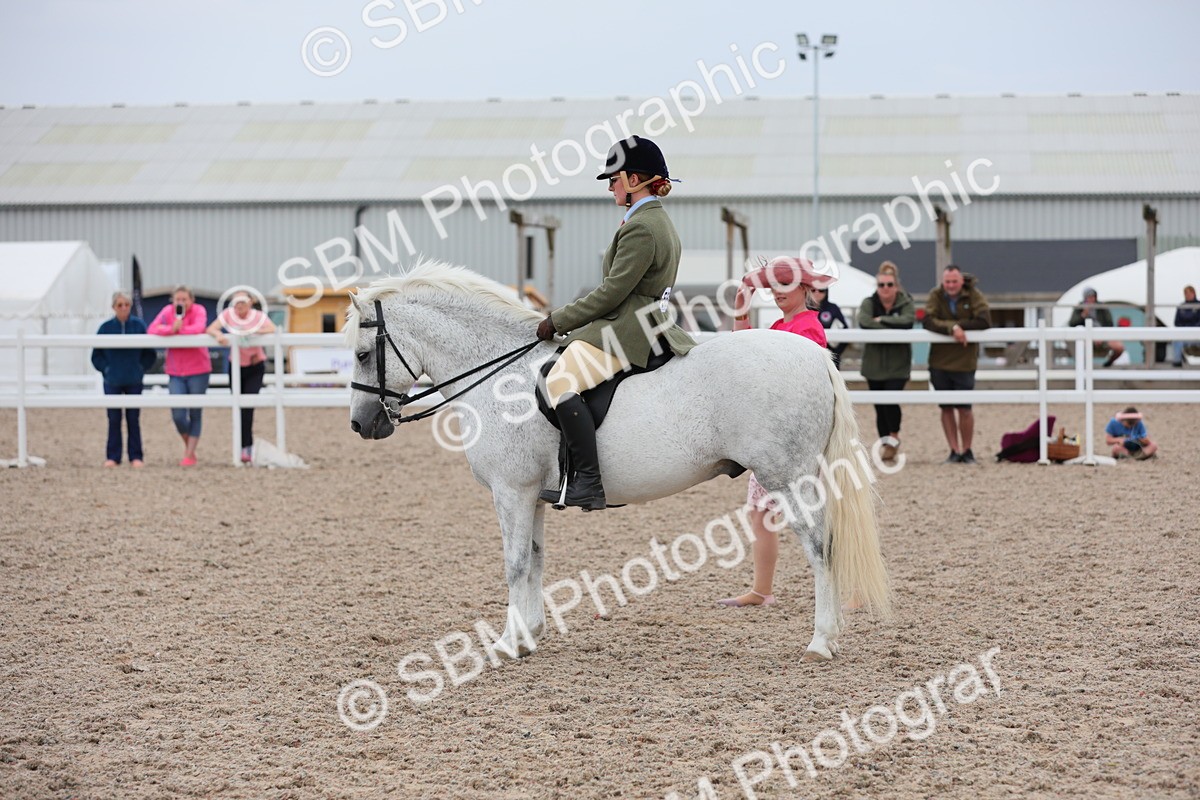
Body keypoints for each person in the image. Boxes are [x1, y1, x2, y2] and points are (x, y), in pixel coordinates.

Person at [534, 136, 697, 510]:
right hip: (644, 319)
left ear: (634, 180)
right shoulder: (655, 221)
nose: (610, 186)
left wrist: (558, 319)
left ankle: (589, 482)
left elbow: (611, 293)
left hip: (628, 328)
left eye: (613, 179)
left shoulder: (641, 227)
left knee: (558, 381)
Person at [717, 256, 834, 608]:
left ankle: (850, 590)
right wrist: (741, 311)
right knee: (762, 513)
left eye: (785, 285)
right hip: (776, 439)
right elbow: (744, 352)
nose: (778, 292)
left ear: (804, 289)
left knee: (820, 515)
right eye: (774, 286)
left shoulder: (808, 327)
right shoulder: (784, 328)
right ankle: (761, 589)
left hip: (797, 439)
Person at [923, 265, 991, 464]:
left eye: (954, 281)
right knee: (946, 407)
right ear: (943, 282)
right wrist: (952, 328)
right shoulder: (936, 295)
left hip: (965, 361)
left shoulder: (973, 295)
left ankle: (967, 450)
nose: (951, 285)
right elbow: (928, 320)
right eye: (947, 282)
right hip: (939, 361)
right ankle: (954, 450)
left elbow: (985, 320)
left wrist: (959, 326)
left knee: (965, 408)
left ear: (961, 281)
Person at [207, 291, 276, 463]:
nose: (239, 306)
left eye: (242, 302)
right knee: (238, 406)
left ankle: (247, 446)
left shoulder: (258, 317)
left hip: (255, 365)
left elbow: (272, 328)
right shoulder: (228, 315)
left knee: (248, 406)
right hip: (236, 365)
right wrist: (219, 335)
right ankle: (242, 446)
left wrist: (252, 331)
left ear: (250, 302)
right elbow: (211, 328)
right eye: (236, 302)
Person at [857, 261, 915, 462]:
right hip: (874, 365)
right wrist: (892, 328)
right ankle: (885, 441)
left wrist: (881, 321)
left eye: (889, 284)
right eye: (881, 285)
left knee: (891, 402)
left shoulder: (906, 302)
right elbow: (864, 321)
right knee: (879, 405)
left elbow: (908, 321)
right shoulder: (868, 302)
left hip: (898, 365)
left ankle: (894, 437)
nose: (885, 289)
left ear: (896, 285)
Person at [91, 291, 157, 468]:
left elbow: (150, 353)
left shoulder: (139, 326)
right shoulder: (105, 328)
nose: (123, 308)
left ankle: (136, 456)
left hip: (133, 380)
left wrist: (139, 369)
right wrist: (107, 369)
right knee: (113, 419)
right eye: (119, 305)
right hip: (112, 380)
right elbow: (96, 355)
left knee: (133, 419)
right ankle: (113, 456)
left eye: (126, 304)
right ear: (114, 307)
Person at [149, 286, 210, 466]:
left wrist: (177, 330)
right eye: (178, 299)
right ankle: (189, 447)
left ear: (192, 300)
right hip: (176, 371)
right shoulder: (167, 312)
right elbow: (153, 328)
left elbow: (199, 328)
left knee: (195, 412)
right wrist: (170, 329)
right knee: (178, 414)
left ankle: (189, 453)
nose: (181, 303)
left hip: (198, 369)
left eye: (184, 299)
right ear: (173, 300)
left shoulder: (199, 311)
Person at [1068, 287, 1125, 367]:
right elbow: (1072, 324)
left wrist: (1101, 335)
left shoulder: (1101, 307)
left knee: (1119, 347)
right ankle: (1084, 368)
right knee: (1080, 347)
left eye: (1093, 297)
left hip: (1102, 336)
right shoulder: (1079, 308)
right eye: (1089, 297)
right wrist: (1083, 315)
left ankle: (1108, 363)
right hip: (1085, 337)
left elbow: (1109, 323)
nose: (1091, 299)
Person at [812, 286, 848, 366]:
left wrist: (836, 354)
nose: (817, 293)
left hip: (831, 357)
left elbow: (845, 330)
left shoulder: (833, 308)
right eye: (813, 290)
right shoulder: (802, 308)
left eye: (821, 290)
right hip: (810, 356)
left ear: (826, 292)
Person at [1173, 285, 1199, 366]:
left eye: (1189, 293)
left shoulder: (1199, 305)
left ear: (1194, 293)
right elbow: (1176, 322)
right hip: (1185, 335)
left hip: (1197, 334)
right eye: (1186, 293)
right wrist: (1184, 328)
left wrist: (1192, 327)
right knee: (1176, 341)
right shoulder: (1181, 306)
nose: (1187, 295)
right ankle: (1177, 363)